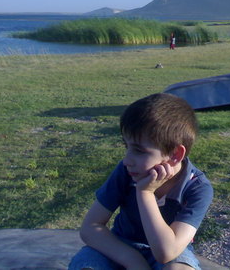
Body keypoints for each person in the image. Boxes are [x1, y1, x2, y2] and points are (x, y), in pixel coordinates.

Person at [69, 93, 213, 270]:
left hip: (171, 253)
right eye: (126, 146)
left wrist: (145, 193)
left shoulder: (197, 187)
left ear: (175, 155)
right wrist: (133, 260)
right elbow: (90, 227)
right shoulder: (126, 171)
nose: (127, 159)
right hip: (121, 246)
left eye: (138, 150)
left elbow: (166, 252)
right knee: (87, 265)